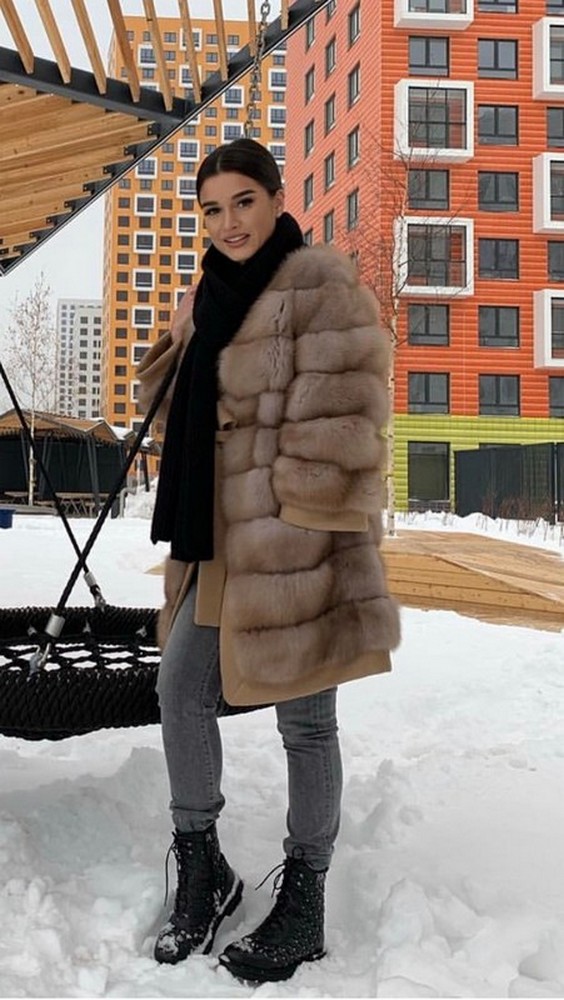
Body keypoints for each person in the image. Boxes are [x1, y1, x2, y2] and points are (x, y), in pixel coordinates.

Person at [137, 138, 400, 984]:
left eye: (243, 201)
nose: (229, 223)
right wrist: (180, 334)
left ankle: (306, 898)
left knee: (306, 724)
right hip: (218, 540)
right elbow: (168, 415)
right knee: (180, 687)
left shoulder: (320, 289)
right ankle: (203, 868)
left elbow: (351, 417)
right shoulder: (210, 297)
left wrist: (291, 521)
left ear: (278, 199)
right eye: (212, 210)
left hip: (298, 549)